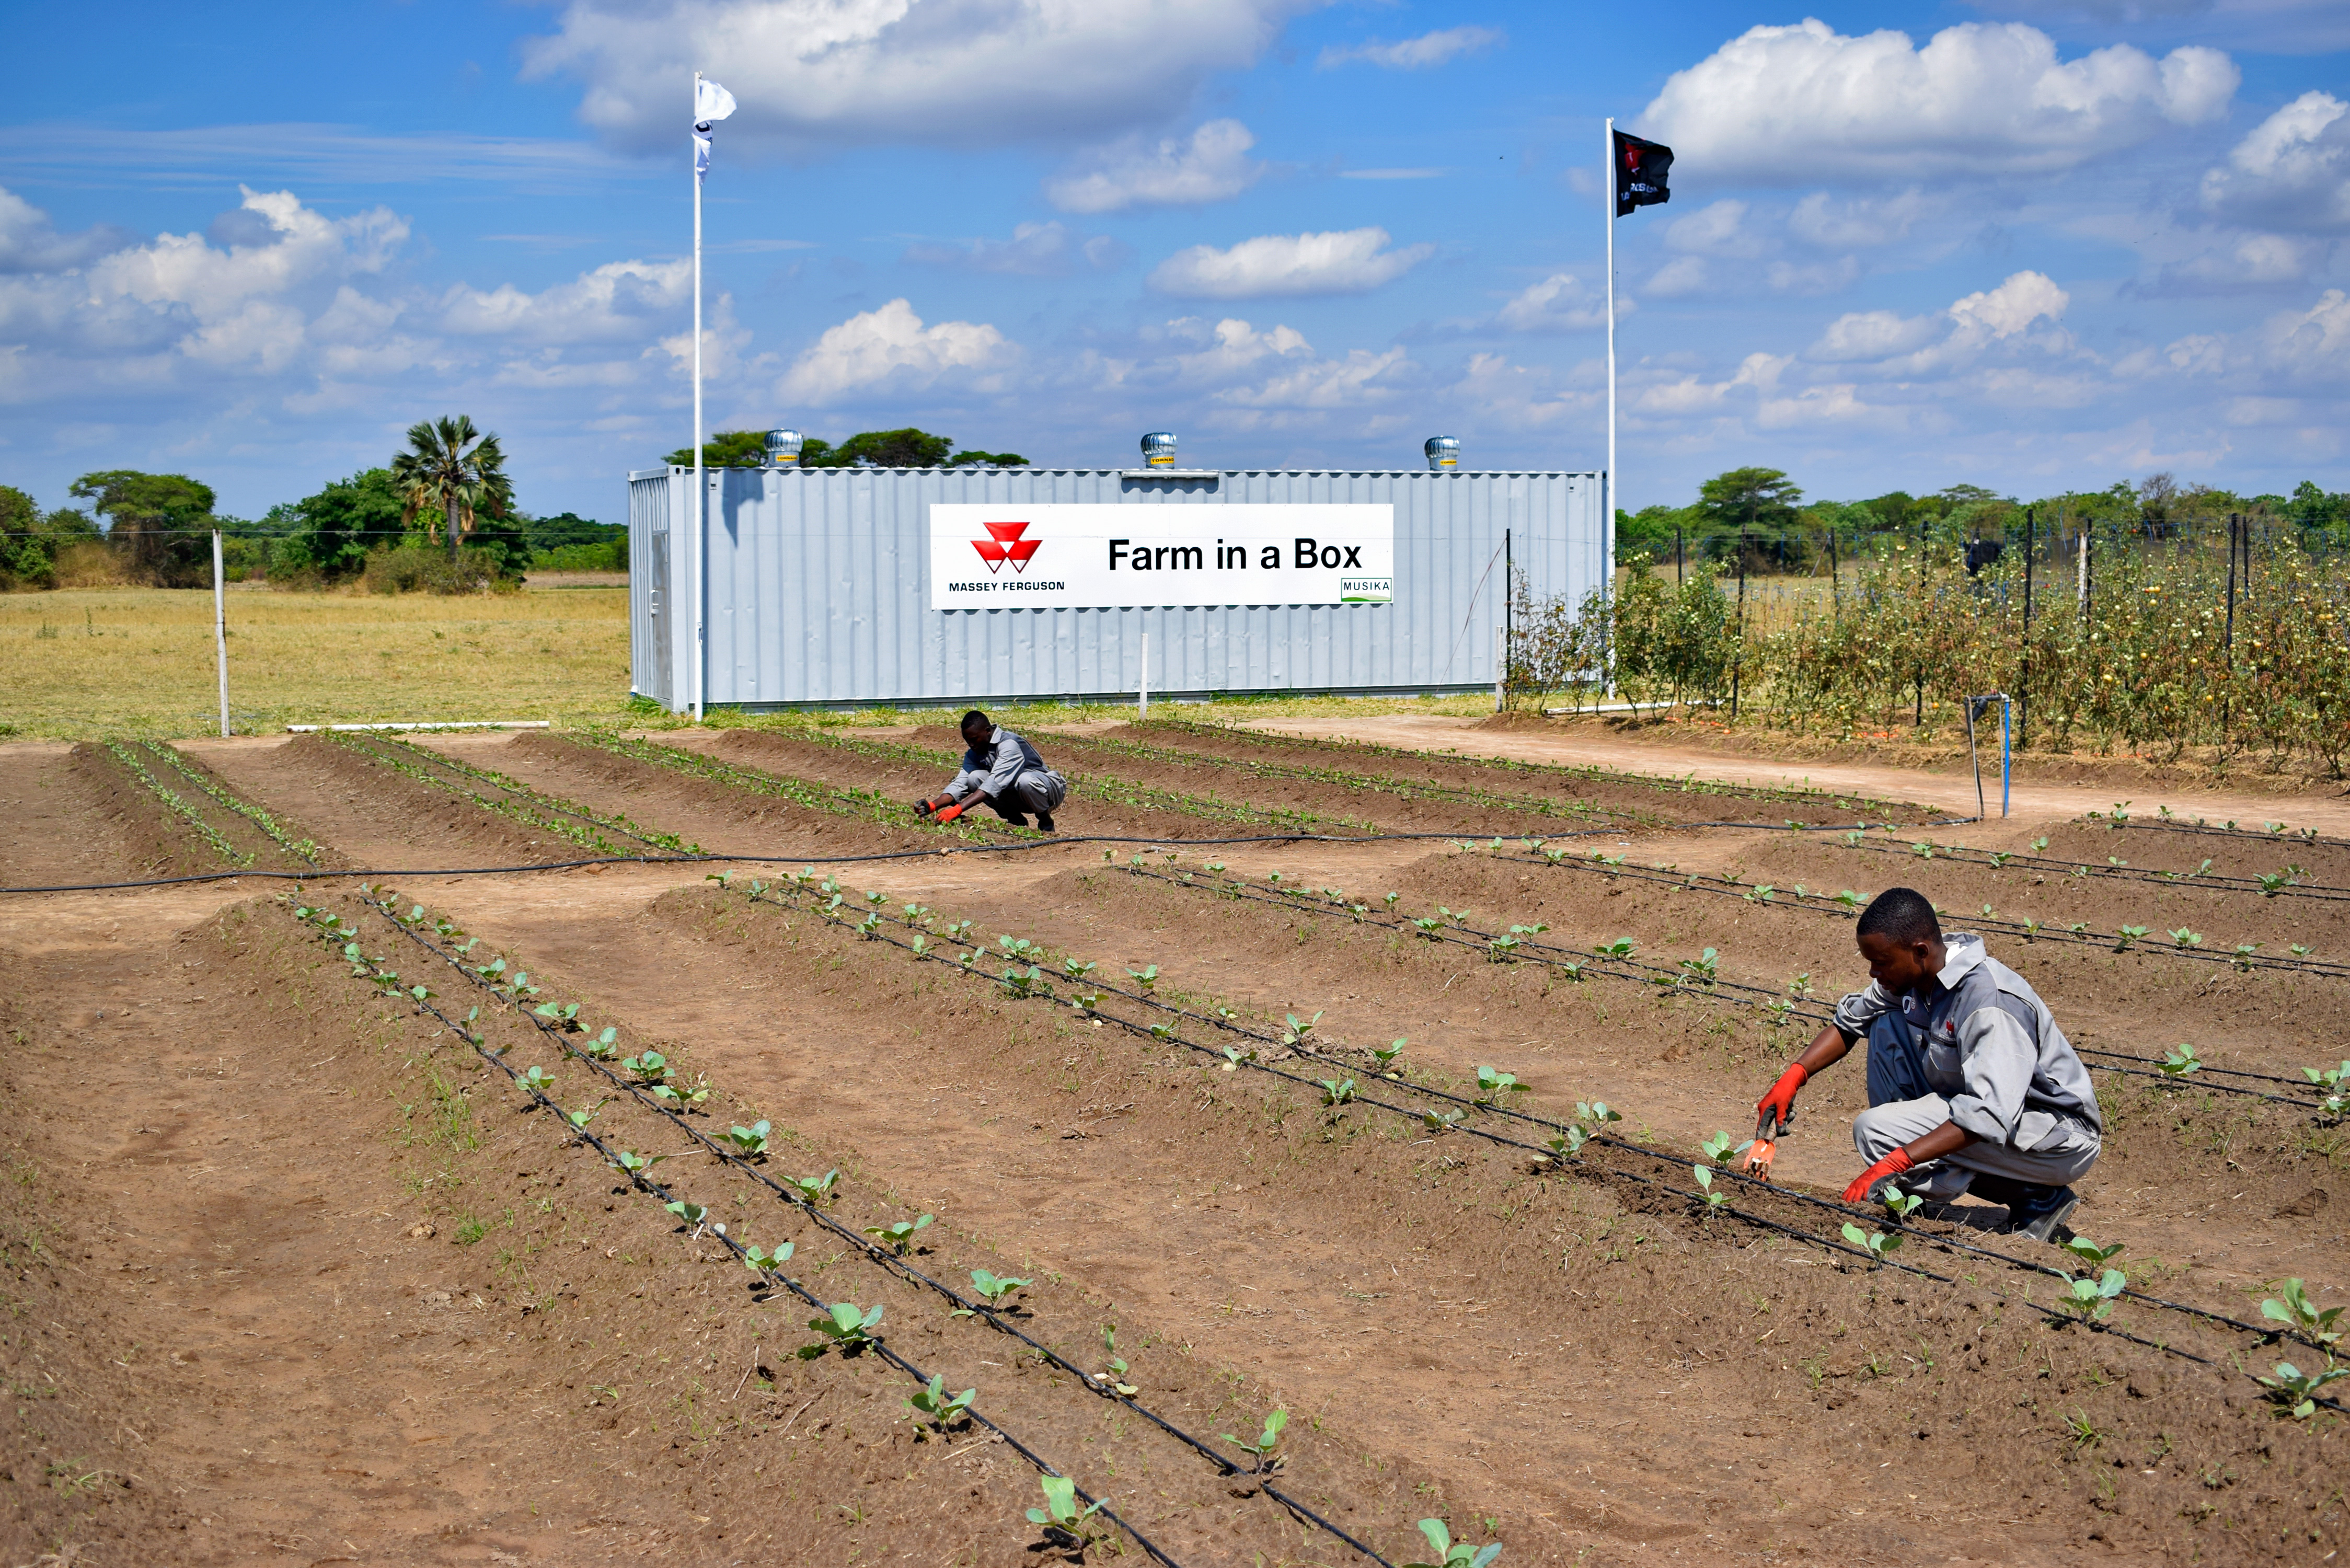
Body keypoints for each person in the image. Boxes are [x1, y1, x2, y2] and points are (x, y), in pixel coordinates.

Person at [1749, 886, 2101, 1243]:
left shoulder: (1989, 1002)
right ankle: (1910, 1190)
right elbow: (1851, 1022)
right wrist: (1795, 1076)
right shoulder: (1917, 976)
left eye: (1881, 962)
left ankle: (2035, 1198)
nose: (1873, 972)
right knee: (1885, 1023)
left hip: (2054, 1135)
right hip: (1983, 1108)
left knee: (1875, 1131)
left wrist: (1898, 1159)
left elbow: (1989, 1116)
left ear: (1920, 952)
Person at [915, 710, 1068, 832]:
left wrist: (957, 810)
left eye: (974, 739)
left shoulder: (1009, 744)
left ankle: (1045, 821)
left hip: (1047, 791)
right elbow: (961, 782)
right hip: (1017, 793)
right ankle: (1016, 820)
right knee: (975, 778)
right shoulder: (975, 753)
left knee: (1025, 781)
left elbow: (994, 783)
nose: (971, 745)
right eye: (967, 741)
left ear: (988, 731)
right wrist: (933, 805)